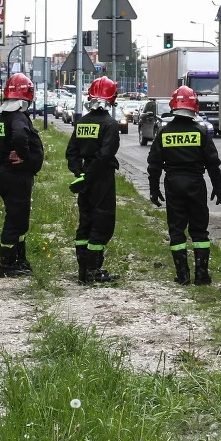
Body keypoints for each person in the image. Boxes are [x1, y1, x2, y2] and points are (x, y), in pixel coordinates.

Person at [147, 86, 221, 285]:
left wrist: (154, 190)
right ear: (194, 107)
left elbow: (154, 165)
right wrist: (218, 187)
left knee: (176, 230)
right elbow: (213, 163)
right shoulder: (201, 132)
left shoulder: (163, 133)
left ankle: (182, 276)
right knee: (200, 231)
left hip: (173, 183)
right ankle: (202, 275)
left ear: (174, 106)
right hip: (196, 184)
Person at [65, 76, 121, 285]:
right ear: (112, 98)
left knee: (85, 223)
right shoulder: (110, 124)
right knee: (102, 224)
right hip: (102, 179)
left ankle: (83, 271)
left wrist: (79, 174)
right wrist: (88, 175)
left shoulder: (81, 123)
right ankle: (93, 271)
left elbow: (71, 152)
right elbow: (106, 155)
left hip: (85, 181)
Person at [0, 73, 43, 278]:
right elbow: (20, 136)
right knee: (15, 220)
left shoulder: (1, 116)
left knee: (19, 219)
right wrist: (23, 156)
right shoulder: (19, 117)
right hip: (17, 175)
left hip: (5, 172)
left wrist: (5, 151)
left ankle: (19, 259)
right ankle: (9, 264)